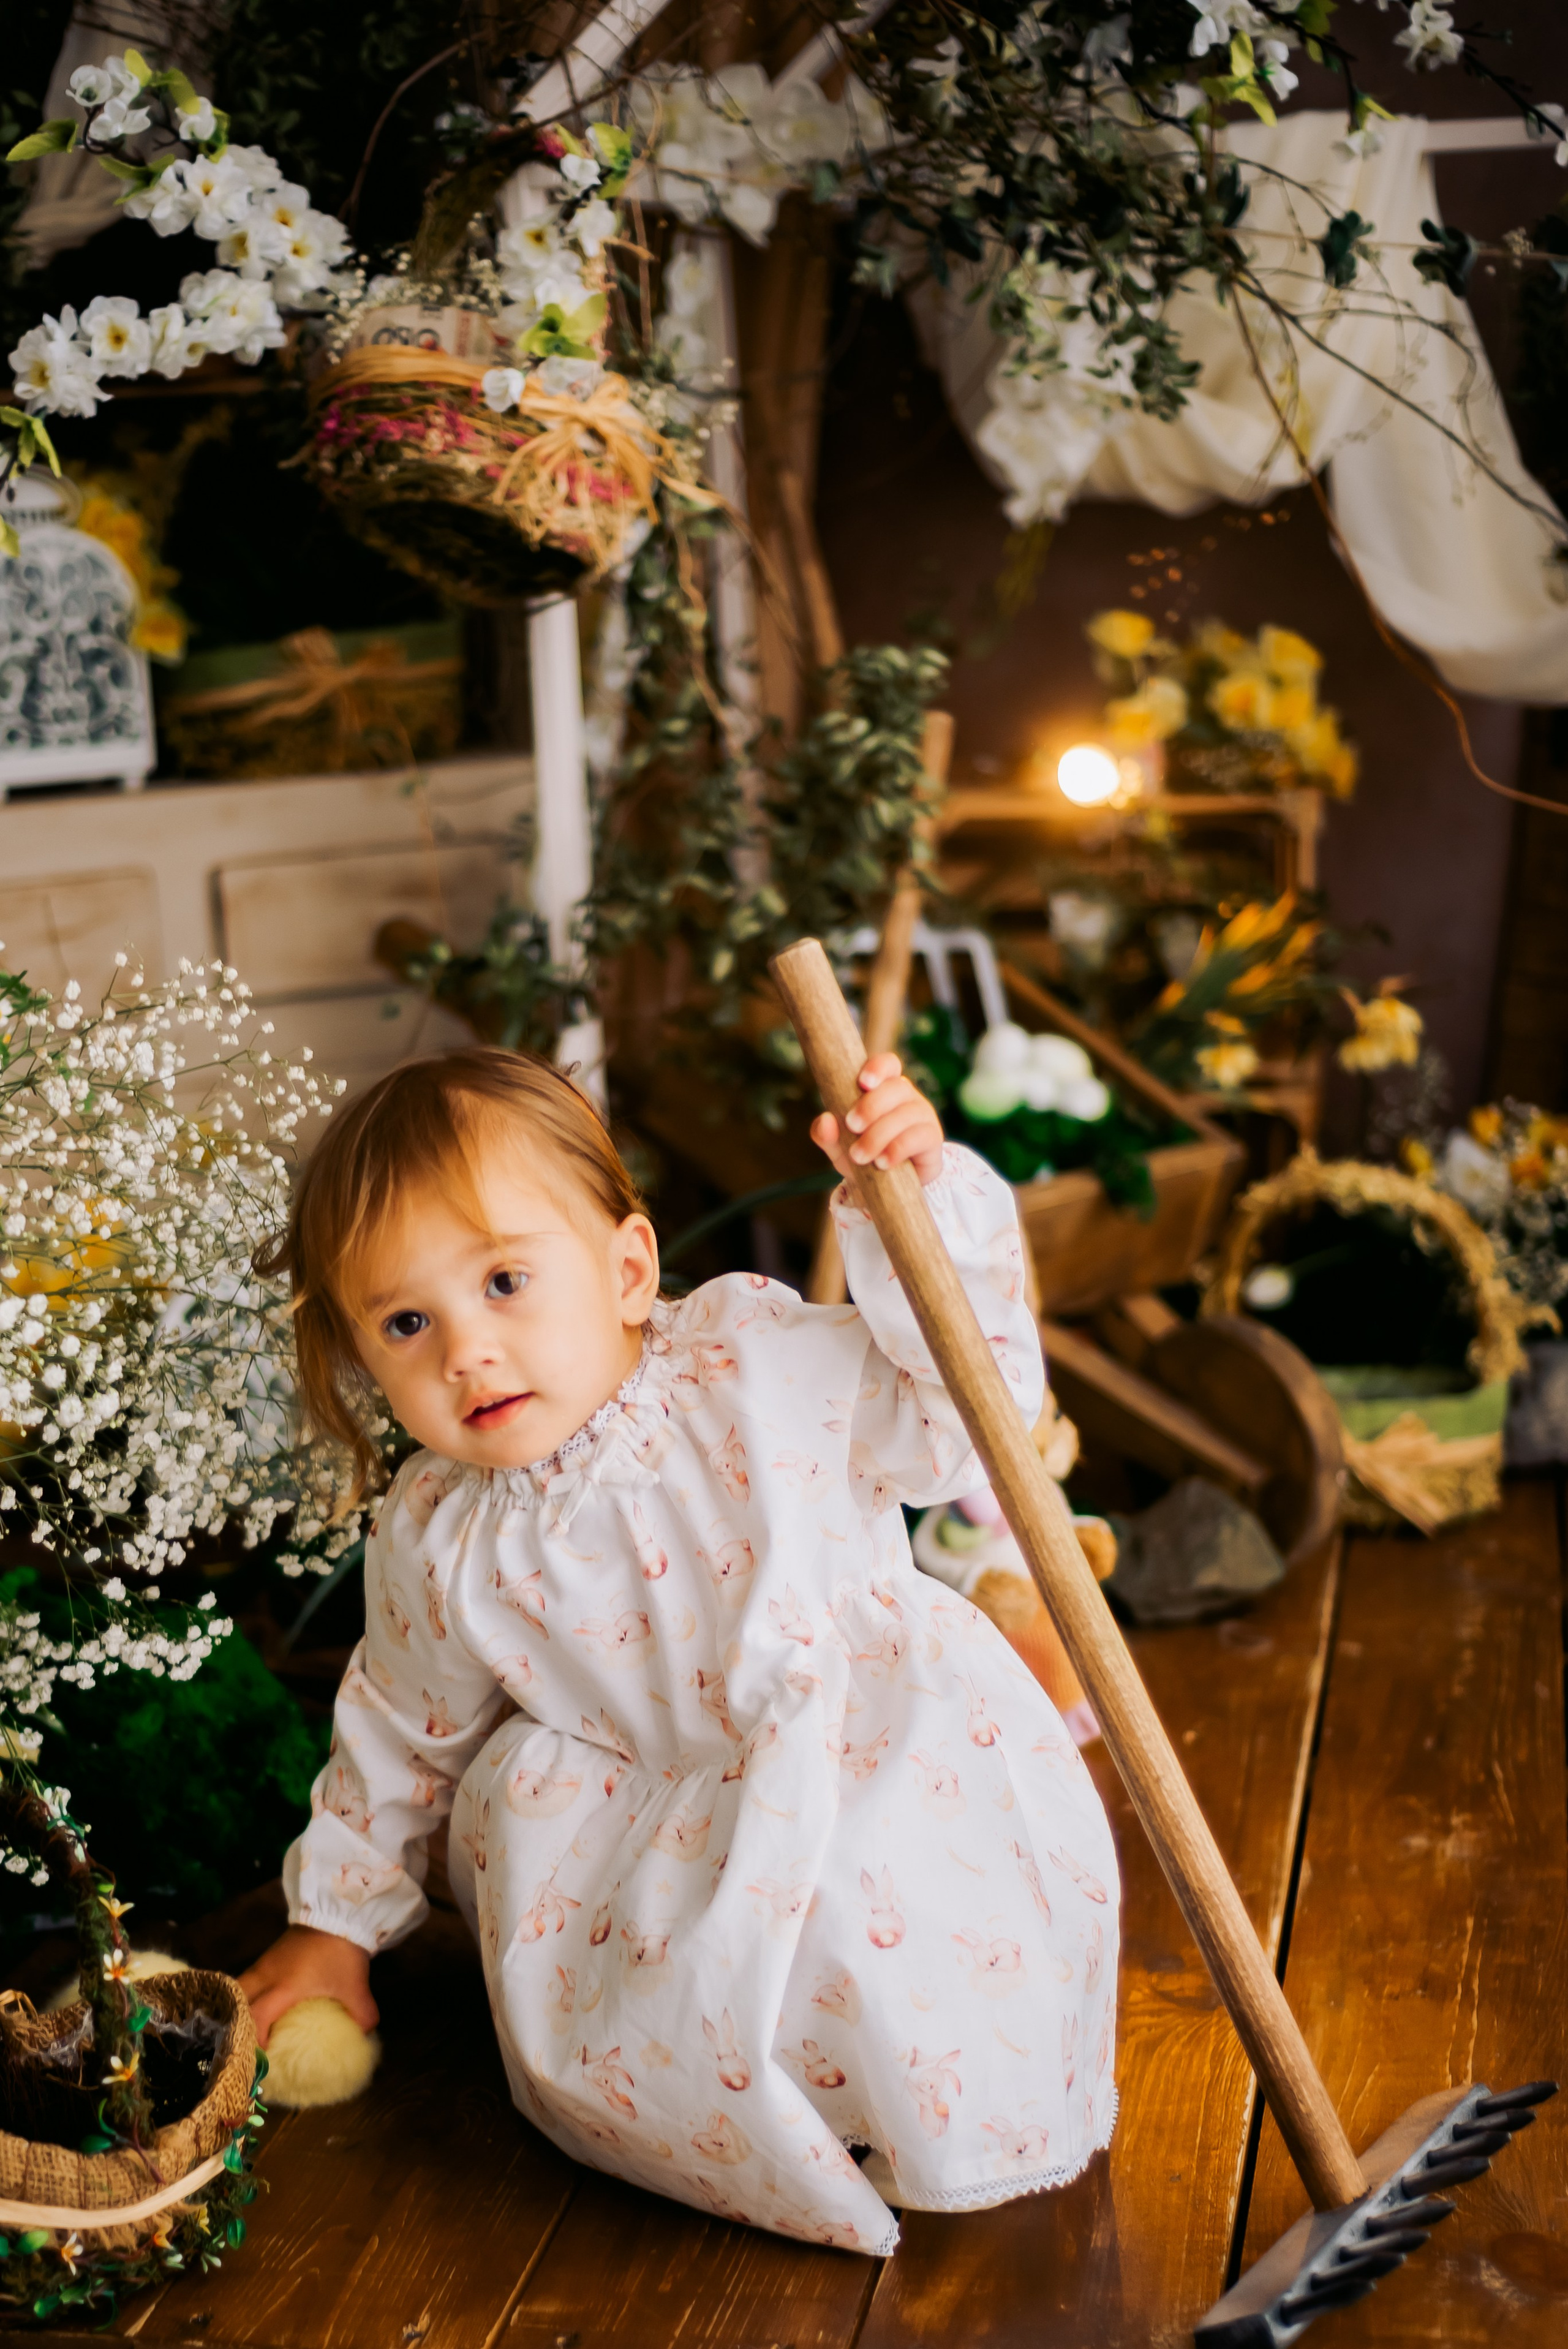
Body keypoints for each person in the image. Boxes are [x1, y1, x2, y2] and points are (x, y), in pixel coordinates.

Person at [239, 1044, 1120, 2252]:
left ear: (626, 1268)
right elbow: (402, 1730)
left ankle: (906, 2091)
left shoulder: (757, 1367)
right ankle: (759, 2108)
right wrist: (331, 1923)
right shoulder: (442, 1531)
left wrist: (912, 1210)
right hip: (637, 1819)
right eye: (405, 1321)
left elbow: (964, 1419)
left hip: (852, 1741)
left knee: (875, 1883)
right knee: (636, 2011)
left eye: (503, 1280)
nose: (464, 1351)